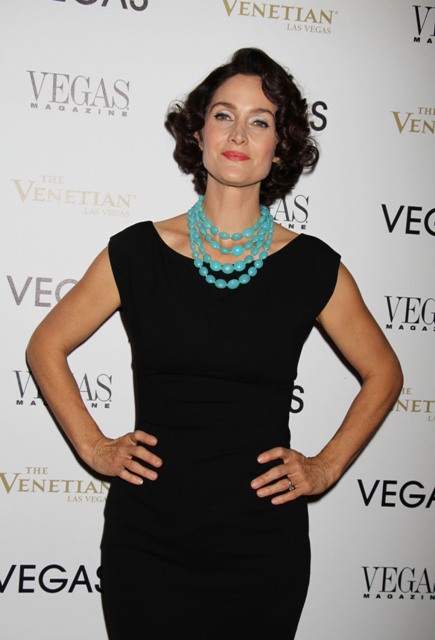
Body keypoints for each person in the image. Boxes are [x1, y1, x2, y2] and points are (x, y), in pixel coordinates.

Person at [27, 48, 402, 639]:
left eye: (260, 121)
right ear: (198, 131)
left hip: (262, 546)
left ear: (280, 145)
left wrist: (326, 467)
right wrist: (94, 447)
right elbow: (45, 345)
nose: (238, 134)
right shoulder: (136, 252)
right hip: (147, 540)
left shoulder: (312, 266)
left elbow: (385, 373)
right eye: (224, 115)